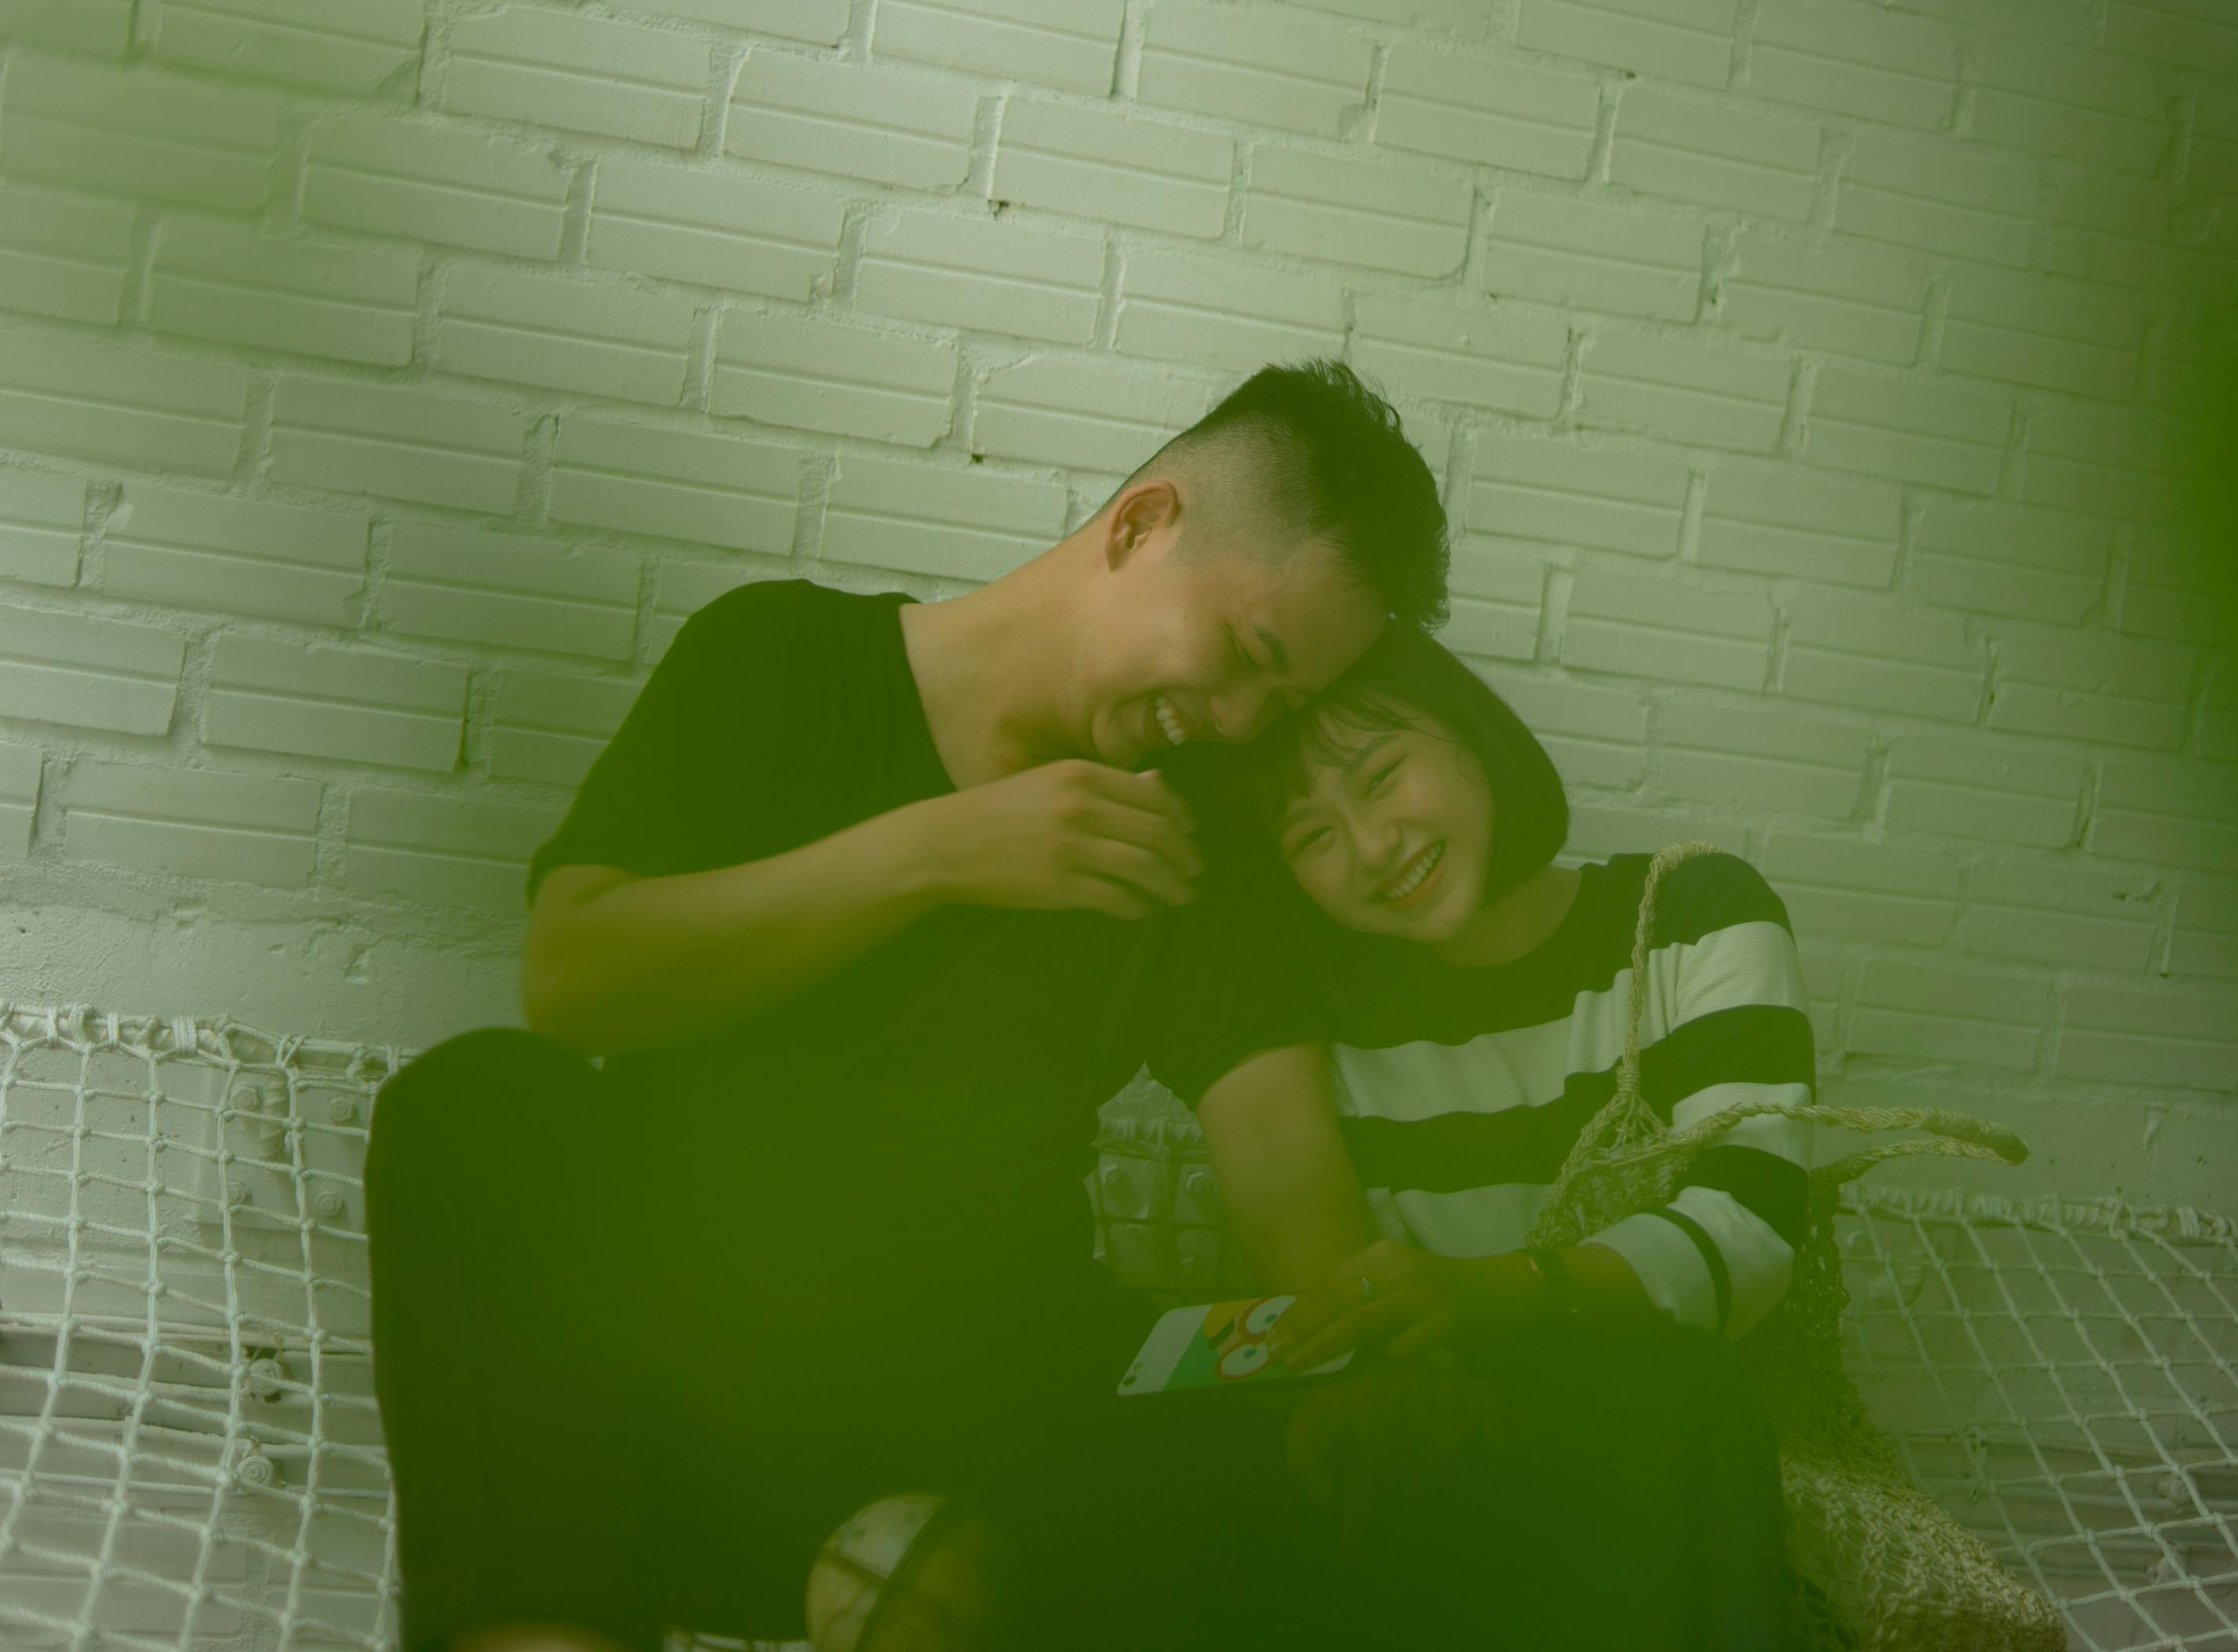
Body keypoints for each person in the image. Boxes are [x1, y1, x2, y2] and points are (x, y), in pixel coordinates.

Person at [361, 360, 1450, 1652]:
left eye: (1284, 700)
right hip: (674, 1372)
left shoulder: (1193, 824)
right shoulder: (783, 656)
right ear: (1143, 525)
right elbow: (573, 977)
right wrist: (939, 850)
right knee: (476, 1109)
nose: (1235, 718)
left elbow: (1276, 1144)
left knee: (1269, 1455)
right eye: (1247, 656)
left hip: (973, 1404)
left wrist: (1354, 1366)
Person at [1149, 622, 1813, 1650]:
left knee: (1681, 1387)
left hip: (1635, 1427)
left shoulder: (1691, 912)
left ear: (1472, 732)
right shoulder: (1301, 1019)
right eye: (1312, 837)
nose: (1373, 849)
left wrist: (1490, 1291)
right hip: (1428, 1453)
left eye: (1382, 777)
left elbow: (1752, 1227)